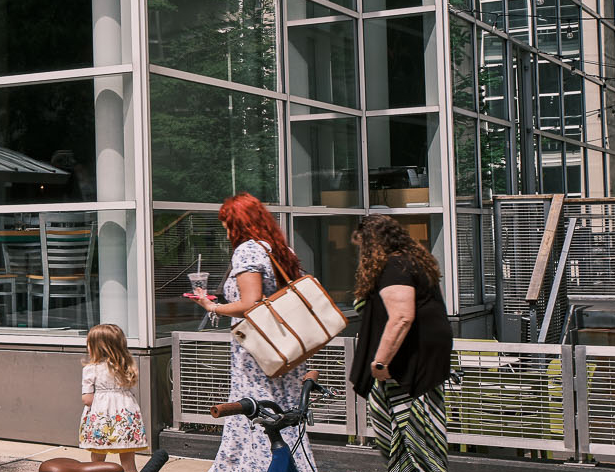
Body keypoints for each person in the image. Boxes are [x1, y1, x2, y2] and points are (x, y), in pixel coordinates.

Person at [184, 194, 320, 472]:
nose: (225, 231)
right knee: (286, 422)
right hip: (286, 351)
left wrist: (213, 306)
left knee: (257, 420)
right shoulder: (281, 251)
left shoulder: (247, 251)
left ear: (236, 223)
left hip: (258, 356)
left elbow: (251, 303)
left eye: (226, 224)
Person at [350, 213, 454, 472]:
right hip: (424, 356)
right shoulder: (415, 262)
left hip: (406, 363)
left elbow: (401, 318)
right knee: (418, 427)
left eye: (363, 245)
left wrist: (381, 361)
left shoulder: (393, 266)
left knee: (408, 429)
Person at [77, 322, 148, 467]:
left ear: (97, 347)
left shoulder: (91, 369)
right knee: (128, 459)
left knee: (98, 456)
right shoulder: (125, 367)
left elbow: (87, 399)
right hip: (125, 419)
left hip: (102, 420)